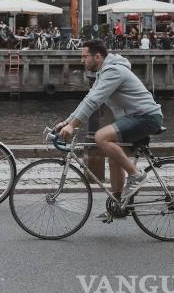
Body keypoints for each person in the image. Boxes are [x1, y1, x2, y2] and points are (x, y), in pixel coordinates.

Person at [55, 40, 164, 220]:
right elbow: (88, 99)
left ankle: (136, 176)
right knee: (115, 159)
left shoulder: (113, 71)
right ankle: (119, 205)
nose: (82, 60)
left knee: (101, 137)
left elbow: (94, 102)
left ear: (97, 56)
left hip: (146, 117)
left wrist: (73, 126)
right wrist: (67, 121)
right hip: (135, 118)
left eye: (84, 56)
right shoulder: (103, 73)